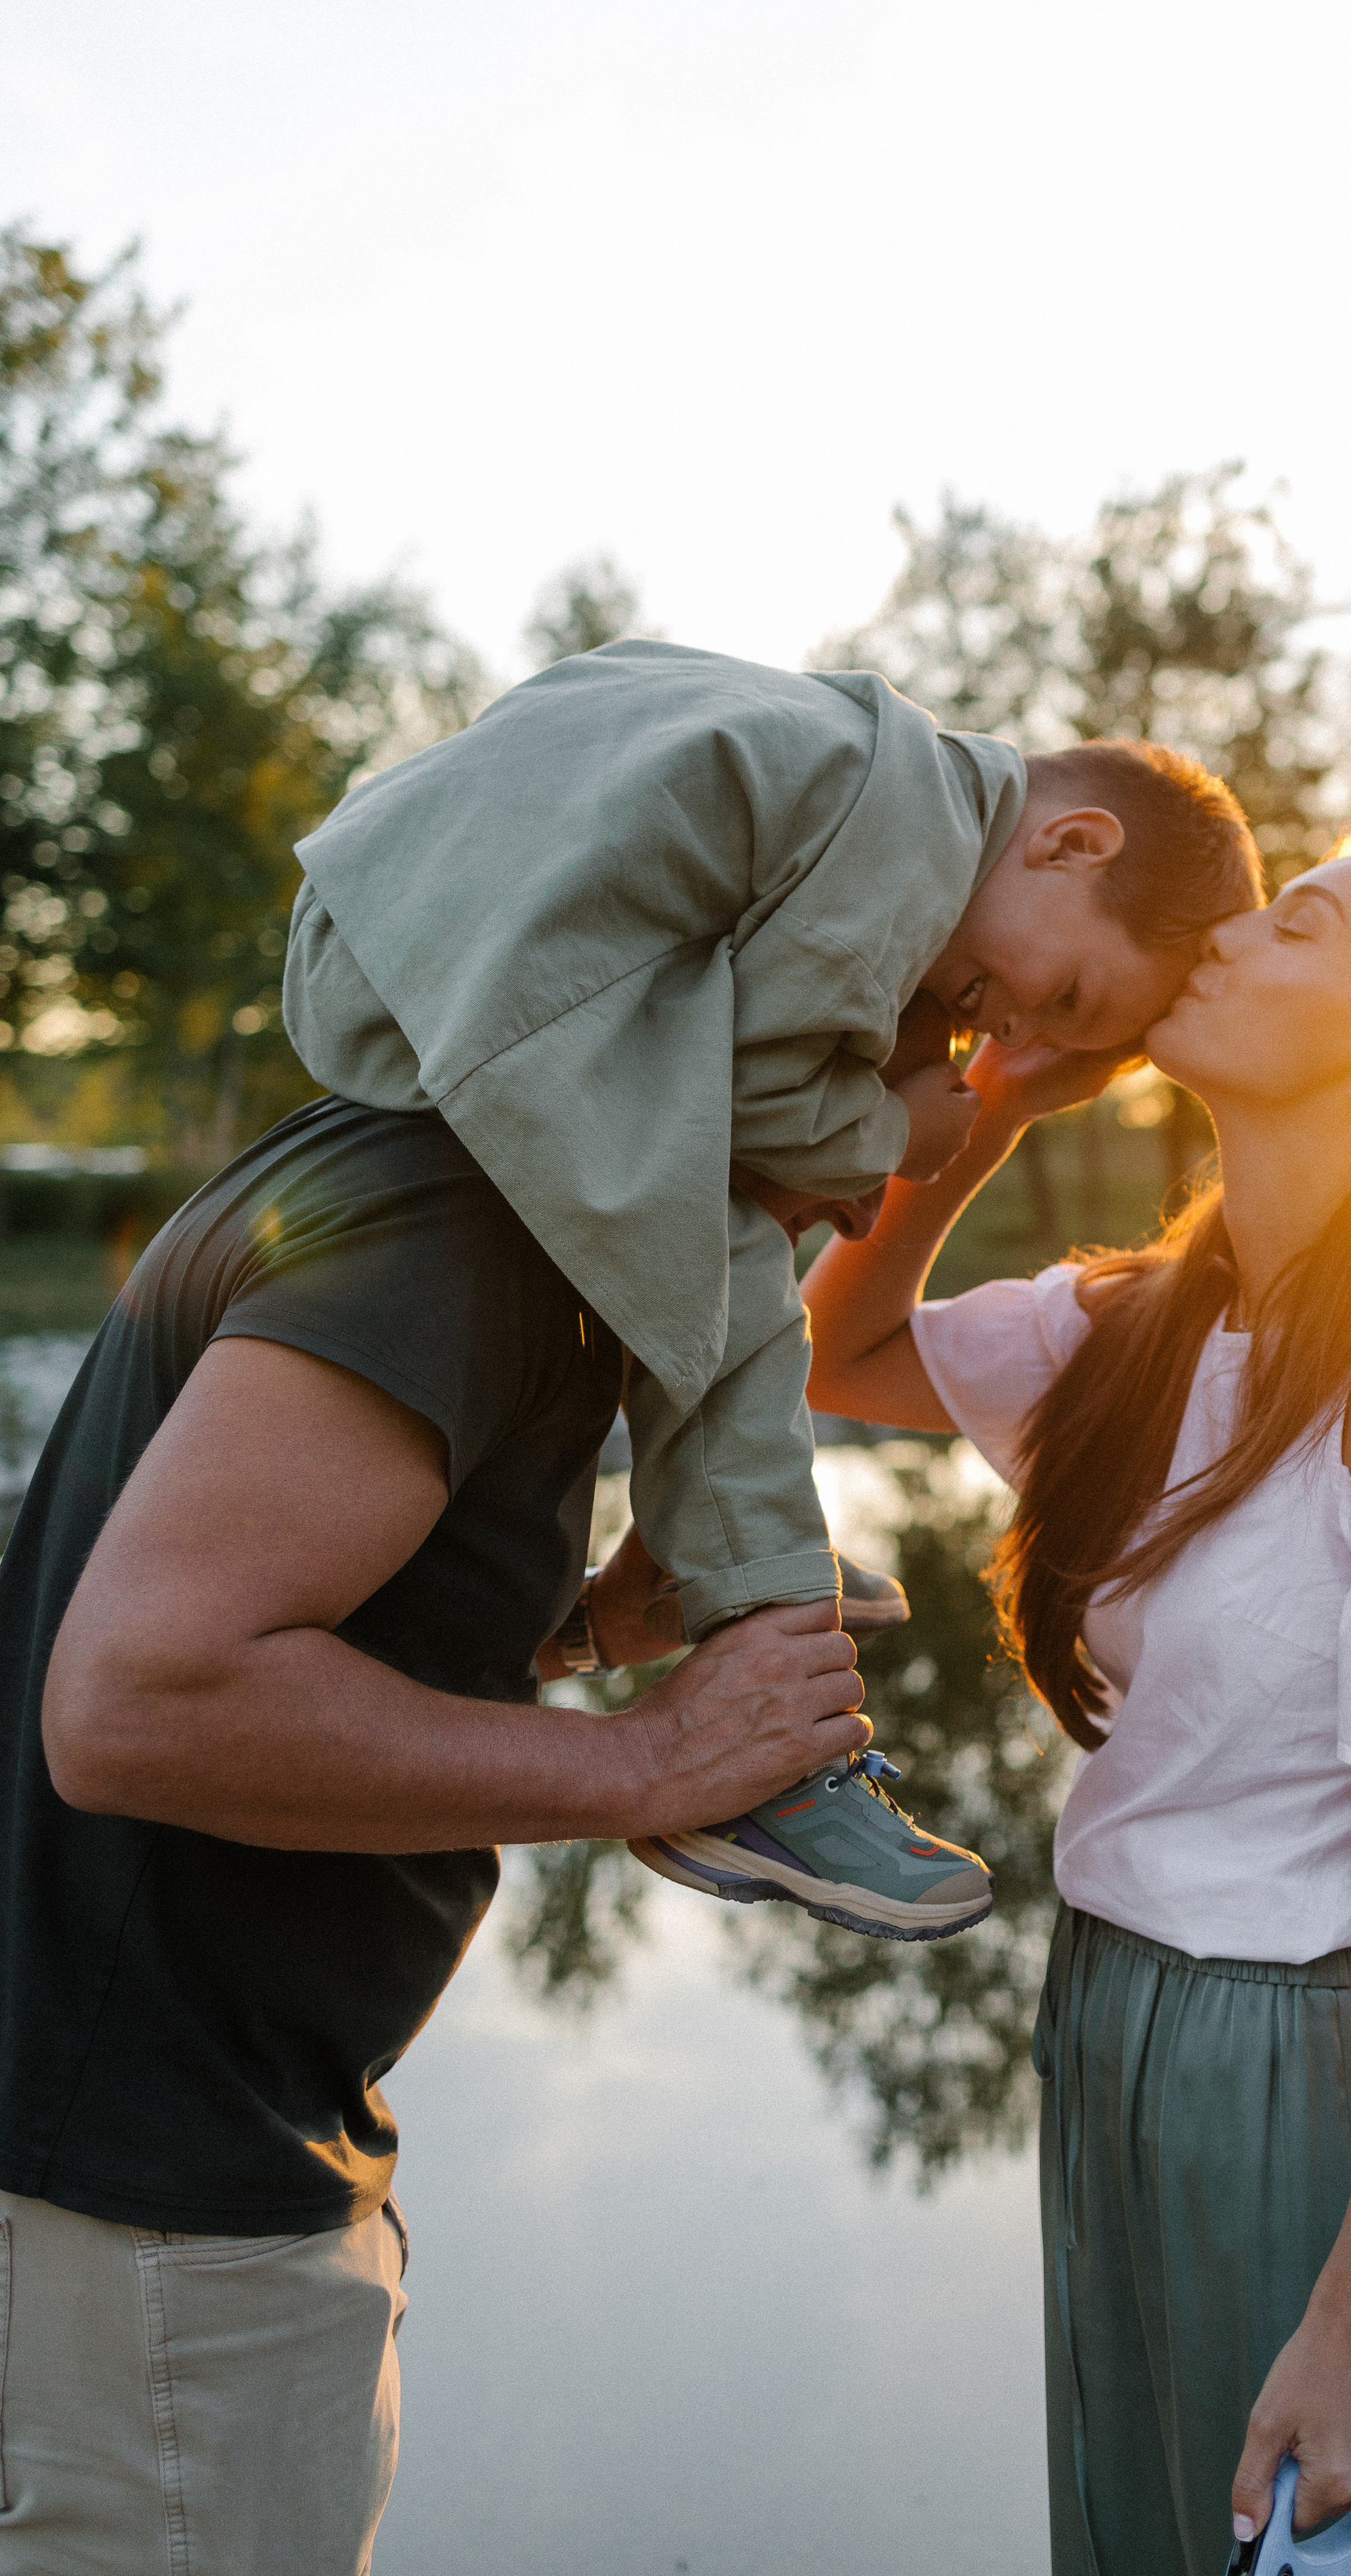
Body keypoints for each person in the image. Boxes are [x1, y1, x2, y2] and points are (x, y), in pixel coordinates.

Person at [0, 655, 1255, 2574]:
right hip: (138, 2212)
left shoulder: (480, 1204)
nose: (871, 1201)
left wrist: (585, 1635)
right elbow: (139, 1701)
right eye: (894, 1097)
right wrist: (652, 1766)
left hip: (174, 2160)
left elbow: (297, 1620)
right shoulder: (457, 1230)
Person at [799, 818, 1351, 2574]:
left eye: (1299, 928)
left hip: (1288, 2060)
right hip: (1106, 2010)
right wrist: (994, 1100)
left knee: (1287, 2536)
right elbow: (834, 1355)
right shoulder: (1142, 1324)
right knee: (1138, 2536)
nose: (1230, 934)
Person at [284, 636, 1262, 1939]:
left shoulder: (864, 757)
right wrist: (902, 1132)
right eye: (1065, 995)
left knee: (772, 1153)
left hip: (390, 926)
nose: (1011, 1030)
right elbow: (748, 1101)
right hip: (447, 988)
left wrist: (888, 1096)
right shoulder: (906, 844)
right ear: (1073, 843)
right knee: (733, 1237)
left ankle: (730, 1541)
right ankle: (770, 1708)